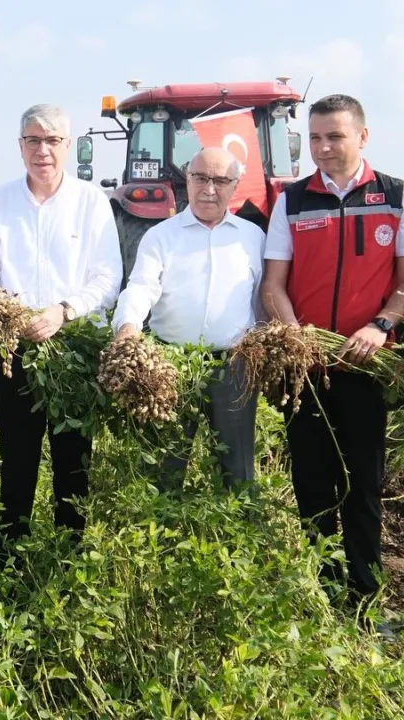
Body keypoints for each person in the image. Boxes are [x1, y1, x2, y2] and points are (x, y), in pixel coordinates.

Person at [259, 94, 404, 599]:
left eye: (335, 136)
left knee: (363, 485)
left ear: (362, 137)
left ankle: (365, 595)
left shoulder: (396, 196)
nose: (323, 147)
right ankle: (323, 593)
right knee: (311, 484)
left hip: (365, 366)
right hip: (307, 367)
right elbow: (273, 285)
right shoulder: (292, 200)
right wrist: (296, 335)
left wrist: (380, 326)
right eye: (314, 138)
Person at [0, 103, 122, 544]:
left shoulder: (90, 203)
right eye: (33, 140)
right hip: (12, 349)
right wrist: (6, 310)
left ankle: (69, 551)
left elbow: (108, 278)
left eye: (52, 140)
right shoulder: (0, 202)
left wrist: (63, 310)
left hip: (74, 347)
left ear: (68, 145)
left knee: (73, 459)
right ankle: (11, 549)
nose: (43, 150)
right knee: (16, 452)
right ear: (20, 146)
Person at [113, 147, 264, 492]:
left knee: (237, 468)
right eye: (200, 178)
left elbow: (261, 299)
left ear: (235, 186)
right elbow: (140, 287)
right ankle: (162, 523)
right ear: (188, 179)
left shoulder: (252, 237)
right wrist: (128, 326)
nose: (209, 189)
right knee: (164, 467)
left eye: (220, 180)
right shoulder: (161, 236)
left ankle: (239, 521)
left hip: (234, 367)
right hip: (172, 364)